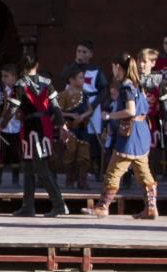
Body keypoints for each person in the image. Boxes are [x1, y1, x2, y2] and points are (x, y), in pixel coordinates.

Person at [90, 53, 158, 219]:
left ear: (118, 67)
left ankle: (103, 206)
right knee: (143, 172)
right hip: (141, 131)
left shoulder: (127, 86)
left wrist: (109, 116)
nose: (113, 70)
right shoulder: (137, 84)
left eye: (113, 66)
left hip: (130, 133)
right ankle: (151, 208)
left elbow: (131, 111)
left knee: (114, 171)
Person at [2, 54, 67, 217]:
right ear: (36, 65)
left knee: (41, 169)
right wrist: (62, 126)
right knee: (29, 168)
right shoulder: (47, 82)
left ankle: (59, 205)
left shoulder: (20, 84)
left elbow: (12, 109)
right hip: (45, 127)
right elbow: (56, 108)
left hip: (32, 128)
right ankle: (28, 206)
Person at [61, 41, 107, 179]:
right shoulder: (71, 68)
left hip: (91, 105)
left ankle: (97, 168)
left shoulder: (95, 70)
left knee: (93, 138)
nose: (80, 54)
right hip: (73, 105)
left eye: (84, 52)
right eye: (78, 51)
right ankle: (74, 172)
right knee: (74, 137)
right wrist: (74, 64)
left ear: (91, 54)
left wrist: (94, 106)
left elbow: (103, 89)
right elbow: (63, 77)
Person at [58, 65, 94, 190]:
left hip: (82, 127)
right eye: (80, 78)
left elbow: (90, 109)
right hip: (69, 128)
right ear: (71, 80)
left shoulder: (85, 94)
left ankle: (82, 181)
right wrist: (71, 115)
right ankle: (69, 180)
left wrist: (83, 116)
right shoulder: (64, 95)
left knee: (84, 155)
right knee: (70, 153)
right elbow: (58, 112)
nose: (83, 80)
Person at [138, 48, 163, 179]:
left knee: (152, 152)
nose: (141, 64)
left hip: (153, 121)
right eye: (139, 61)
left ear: (153, 63)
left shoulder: (160, 79)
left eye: (145, 62)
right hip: (136, 121)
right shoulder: (133, 79)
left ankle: (151, 178)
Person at [0, 65, 22, 187]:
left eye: (6, 76)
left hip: (17, 127)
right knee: (1, 154)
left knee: (15, 154)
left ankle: (15, 180)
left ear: (14, 77)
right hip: (2, 127)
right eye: (2, 76)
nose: (3, 79)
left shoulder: (20, 91)